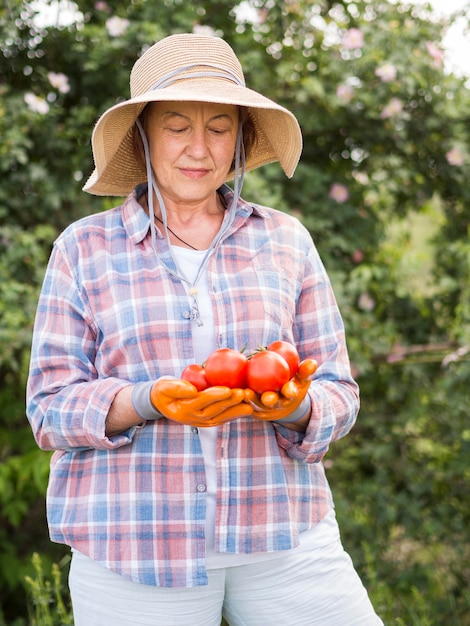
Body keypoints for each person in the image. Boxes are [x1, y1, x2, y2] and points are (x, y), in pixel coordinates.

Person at [26, 33, 383, 626]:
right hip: (134, 548)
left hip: (283, 535)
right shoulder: (83, 249)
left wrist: (292, 407)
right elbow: (50, 408)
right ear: (142, 136)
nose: (199, 148)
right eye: (176, 126)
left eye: (219, 127)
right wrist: (145, 401)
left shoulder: (285, 240)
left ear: (241, 139)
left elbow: (340, 392)